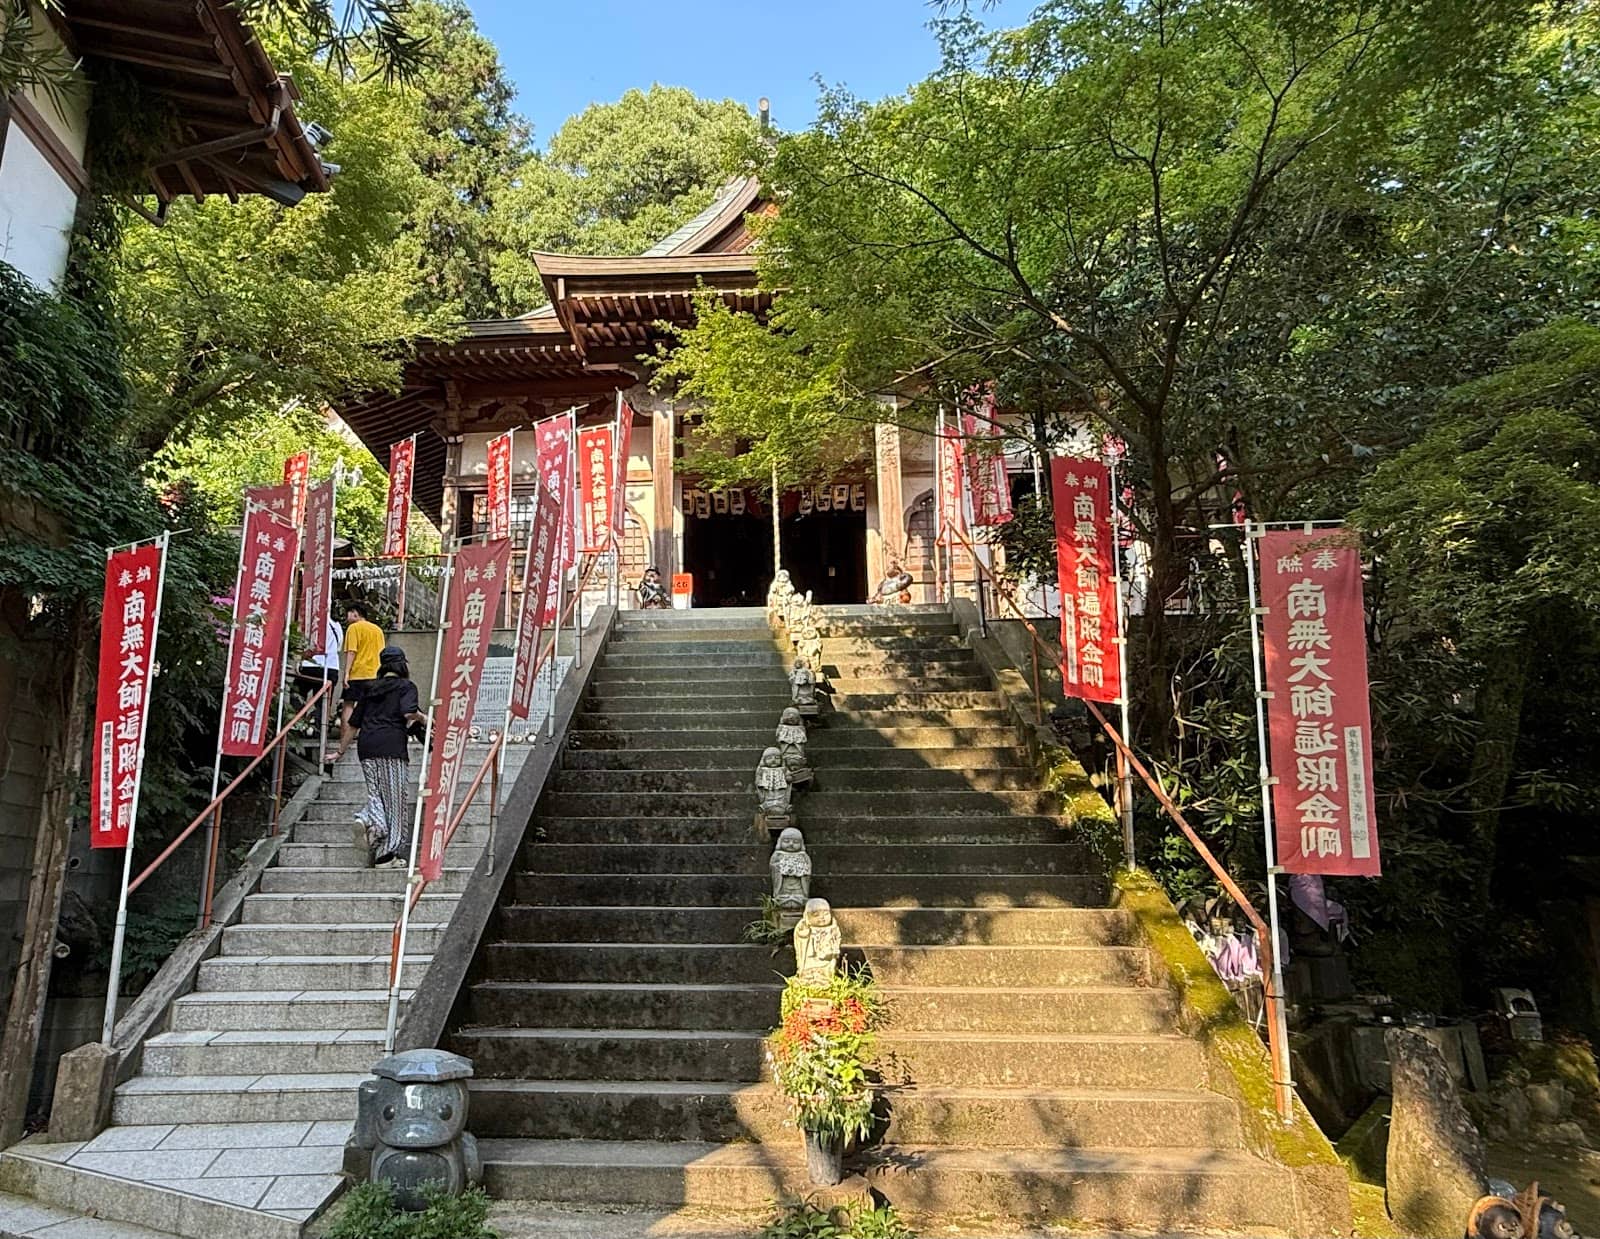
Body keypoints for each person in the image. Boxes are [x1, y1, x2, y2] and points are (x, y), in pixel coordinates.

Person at [347, 645, 426, 867]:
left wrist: (340, 750)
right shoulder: (406, 687)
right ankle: (386, 853)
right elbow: (408, 712)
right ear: (402, 665)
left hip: (367, 747)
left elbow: (353, 723)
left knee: (376, 793)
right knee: (395, 801)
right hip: (391, 747)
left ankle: (367, 819)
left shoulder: (370, 688)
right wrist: (424, 718)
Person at [328, 602, 384, 770]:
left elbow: (351, 651)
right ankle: (370, 738)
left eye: (349, 613)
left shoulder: (353, 628)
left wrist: (346, 674)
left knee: (349, 705)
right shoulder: (377, 630)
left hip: (358, 674)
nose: (347, 617)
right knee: (372, 708)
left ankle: (345, 738)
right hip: (375, 674)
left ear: (355, 613)